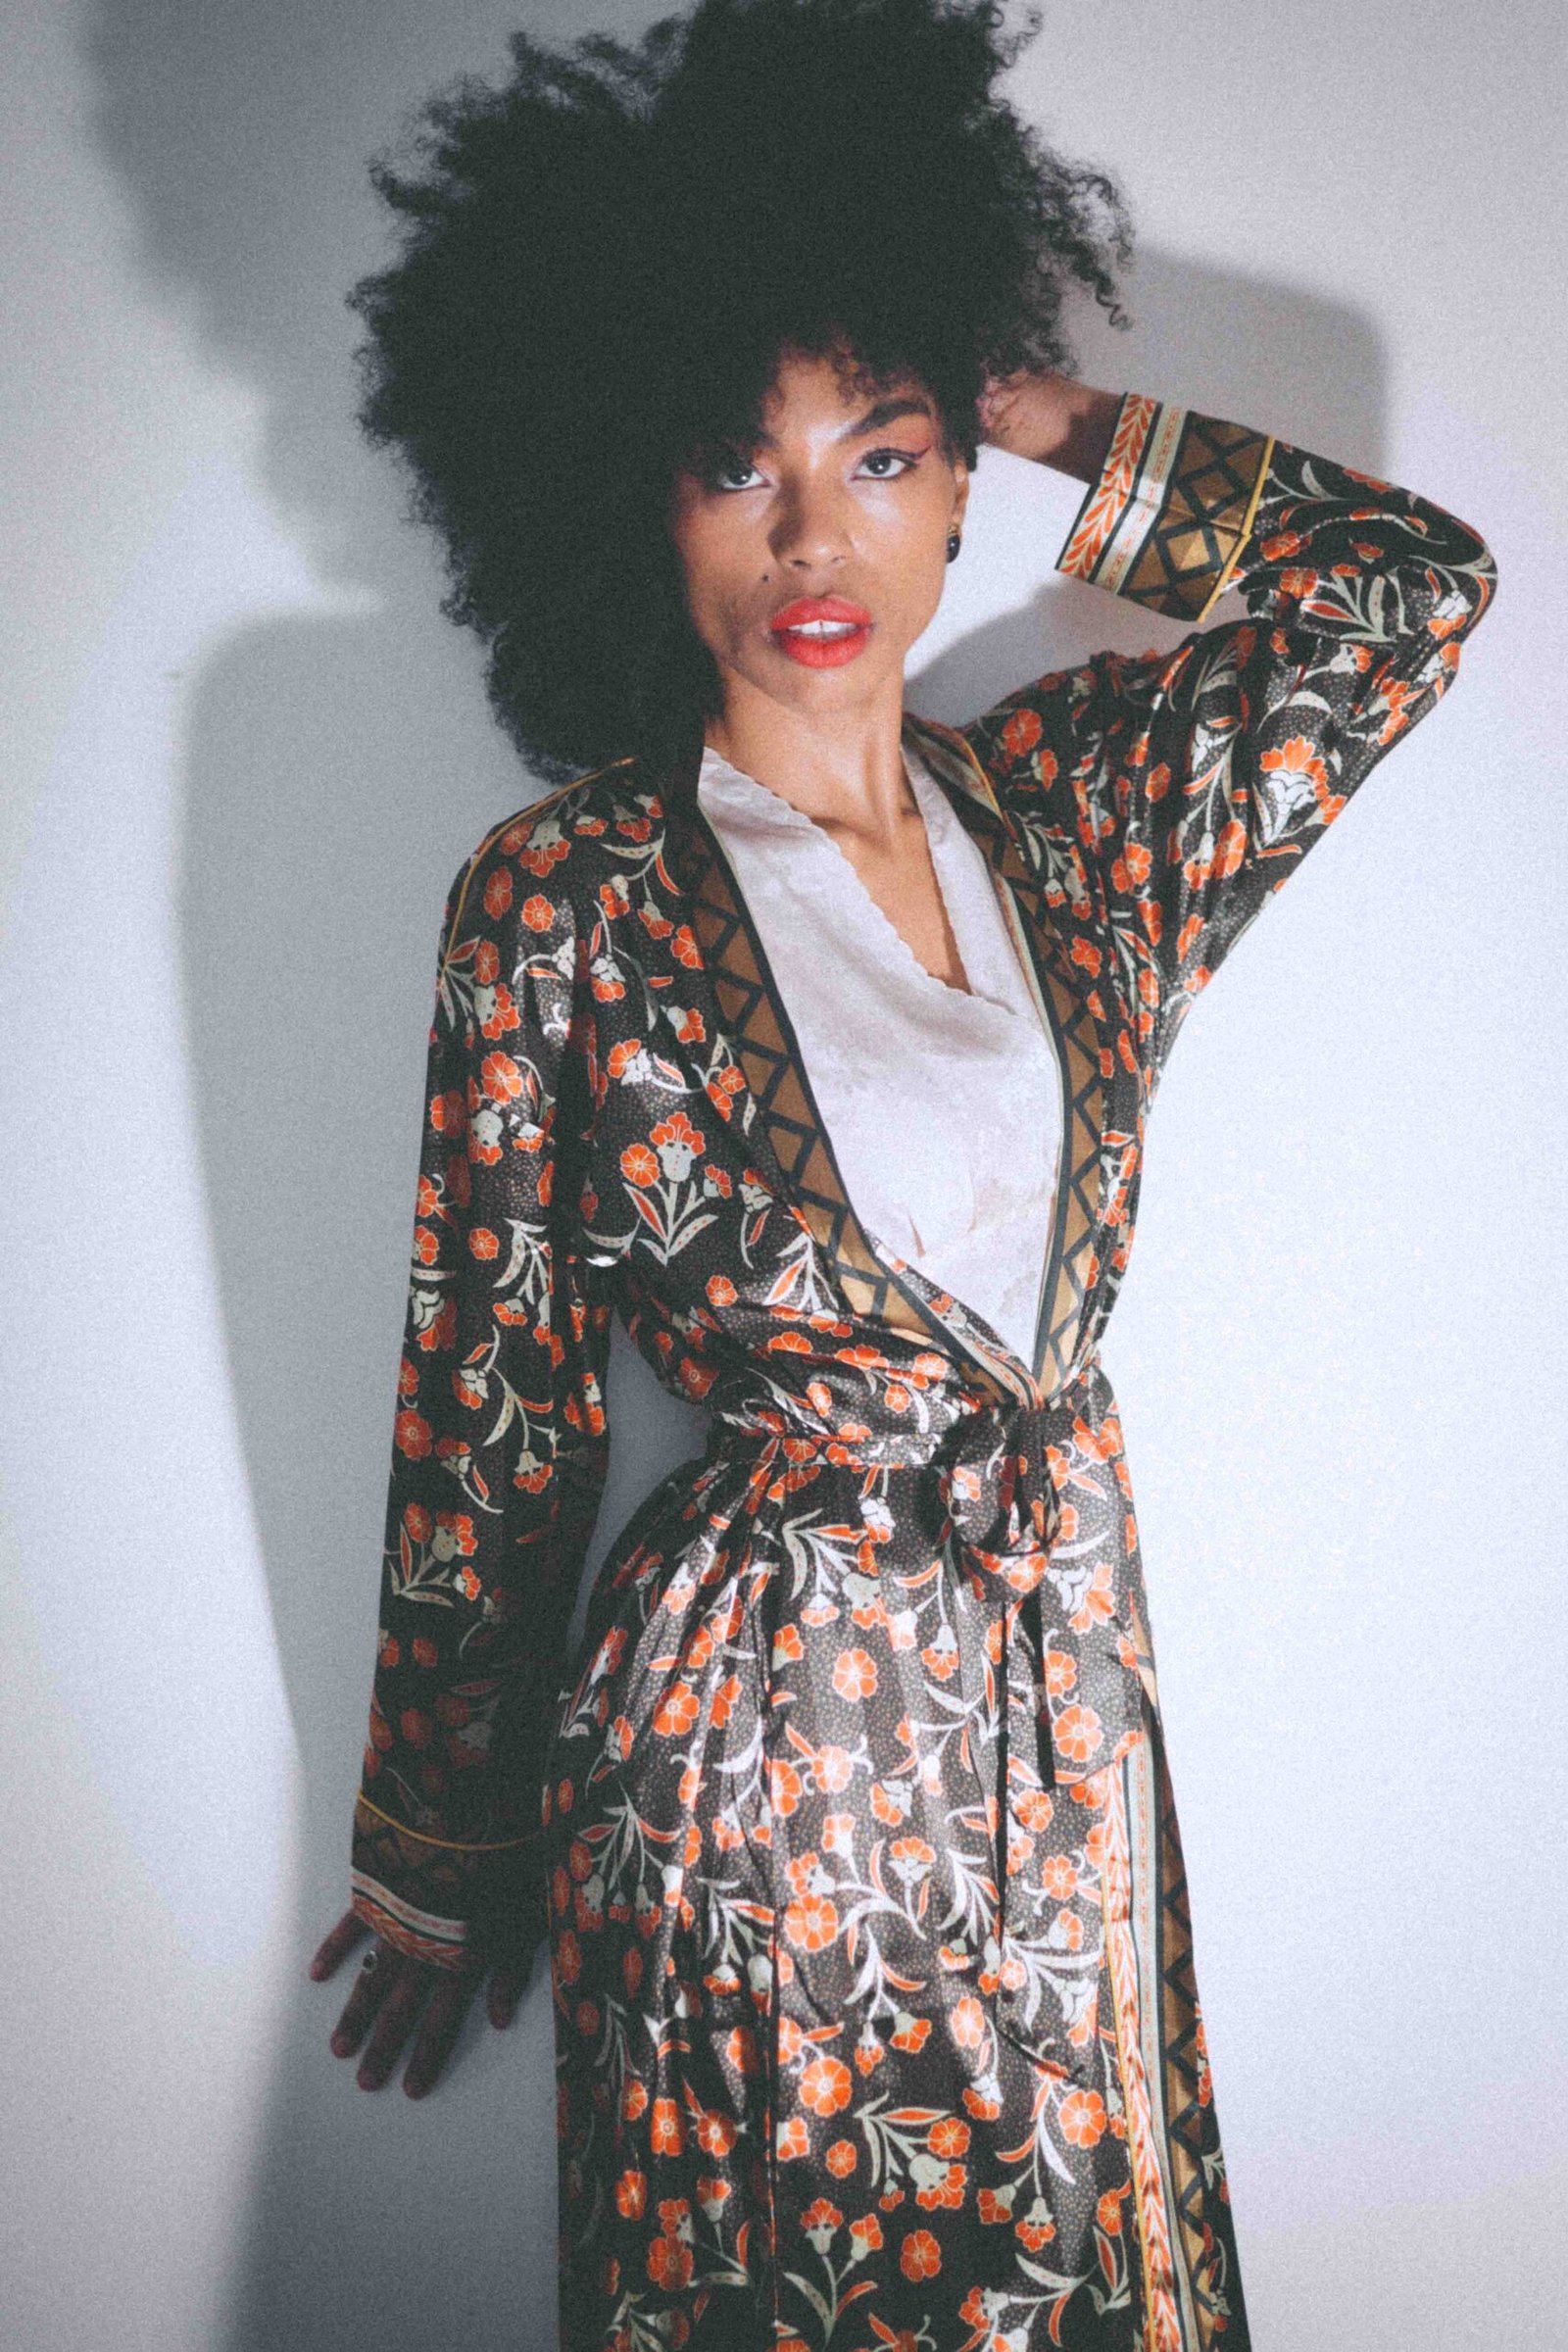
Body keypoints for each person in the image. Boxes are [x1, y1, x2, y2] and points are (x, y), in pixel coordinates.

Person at [307, 1, 1498, 2343]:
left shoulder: (1081, 821)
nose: (812, 534)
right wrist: (438, 1848)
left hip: (1058, 1721)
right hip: (751, 1780)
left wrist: (1021, 397)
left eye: (878, 450)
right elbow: (492, 1403)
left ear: (956, 486)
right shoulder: (563, 900)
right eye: (731, 462)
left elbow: (1404, 595)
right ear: (631, 495)